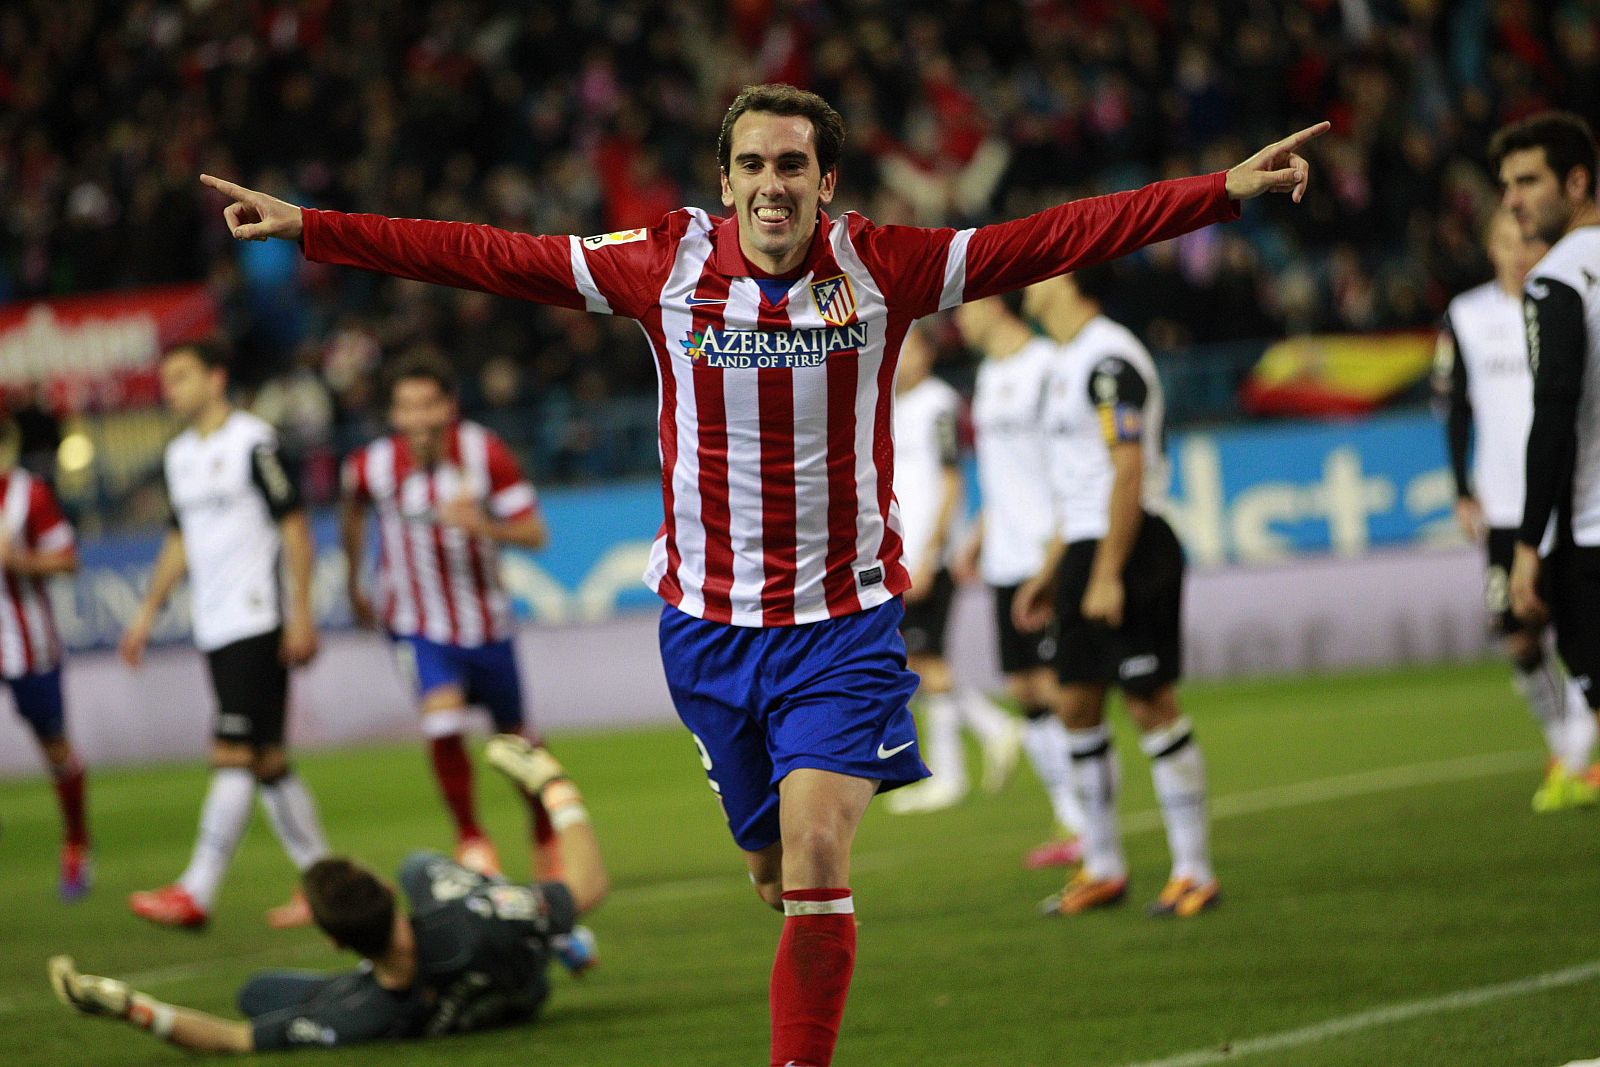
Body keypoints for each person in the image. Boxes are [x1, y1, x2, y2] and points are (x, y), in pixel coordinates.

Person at [200, 83, 1322, 1066]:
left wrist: (1218, 191)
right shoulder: (662, 266)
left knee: (819, 850)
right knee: (772, 873)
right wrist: (314, 229)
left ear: (826, 179)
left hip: (843, 624)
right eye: (752, 164)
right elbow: (486, 255)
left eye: (793, 164)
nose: (771, 184)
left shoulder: (885, 267)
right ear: (724, 178)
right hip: (705, 631)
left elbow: (1060, 235)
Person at [48, 737, 606, 1053]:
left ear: (338, 942)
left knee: (258, 999)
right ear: (387, 893)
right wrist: (552, 784)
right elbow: (588, 886)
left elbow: (235, 1040)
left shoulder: (361, 1018)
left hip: (399, 993)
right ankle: (556, 935)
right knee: (422, 866)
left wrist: (132, 1008)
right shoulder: (463, 919)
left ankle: (548, 930)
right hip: (517, 981)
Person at [1014, 268, 1218, 918]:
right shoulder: (1066, 364)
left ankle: (1194, 868)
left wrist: (1107, 569)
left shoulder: (1109, 358)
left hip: (1129, 545)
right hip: (1082, 547)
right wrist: (1054, 571)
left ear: (1070, 279)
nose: (1028, 278)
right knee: (1075, 702)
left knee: (1149, 700)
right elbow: (1078, 478)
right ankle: (1102, 864)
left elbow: (1127, 466)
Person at [119, 340, 332, 929]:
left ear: (216, 378)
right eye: (167, 379)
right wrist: (146, 613)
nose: (172, 389)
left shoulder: (254, 442)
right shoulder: (179, 455)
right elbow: (178, 539)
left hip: (257, 617)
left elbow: (295, 529)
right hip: (213, 624)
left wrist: (302, 613)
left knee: (232, 752)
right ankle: (324, 885)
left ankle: (197, 890)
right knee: (267, 761)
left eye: (182, 376)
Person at [341, 350, 554, 878]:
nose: (418, 419)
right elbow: (351, 509)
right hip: (415, 626)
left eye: (428, 405)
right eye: (406, 408)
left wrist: (486, 525)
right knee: (441, 721)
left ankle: (546, 835)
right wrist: (354, 581)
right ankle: (471, 838)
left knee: (516, 740)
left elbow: (535, 534)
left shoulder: (487, 454)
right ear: (393, 415)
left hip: (486, 626)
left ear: (449, 407)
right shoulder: (371, 466)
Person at [1434, 208, 1596, 811]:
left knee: (1578, 624)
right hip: (1503, 502)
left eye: (1528, 239)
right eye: (1507, 241)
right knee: (1518, 637)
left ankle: (1576, 757)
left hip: (1567, 496)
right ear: (1491, 248)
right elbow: (1455, 408)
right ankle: (1564, 742)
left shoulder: (1561, 302)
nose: (1520, 251)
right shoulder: (1466, 316)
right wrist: (1460, 488)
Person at [953, 293, 1087, 868]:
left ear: (996, 308)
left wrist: (1059, 546)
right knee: (1025, 690)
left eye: (966, 306)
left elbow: (1064, 462)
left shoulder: (1045, 367)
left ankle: (1090, 819)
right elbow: (1001, 471)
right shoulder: (987, 376)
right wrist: (981, 532)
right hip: (1005, 555)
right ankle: (1069, 815)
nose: (959, 317)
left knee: (1064, 689)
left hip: (1043, 554)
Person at [883, 323, 1022, 816]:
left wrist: (931, 549)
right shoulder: (891, 407)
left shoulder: (939, 404)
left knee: (924, 662)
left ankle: (952, 771)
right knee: (918, 662)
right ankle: (991, 733)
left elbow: (950, 480)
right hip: (902, 555)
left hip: (928, 555)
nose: (899, 359)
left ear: (927, 353)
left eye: (909, 348)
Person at [1496, 111, 1600, 769]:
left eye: (1528, 180)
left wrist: (1529, 545)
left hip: (1592, 533)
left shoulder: (1554, 279)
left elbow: (1555, 414)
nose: (1511, 200)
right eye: (1507, 185)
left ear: (1577, 181)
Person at [0, 420, 91, 900]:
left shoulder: (27, 495)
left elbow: (68, 558)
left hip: (26, 644)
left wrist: (20, 563)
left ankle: (77, 842)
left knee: (55, 748)